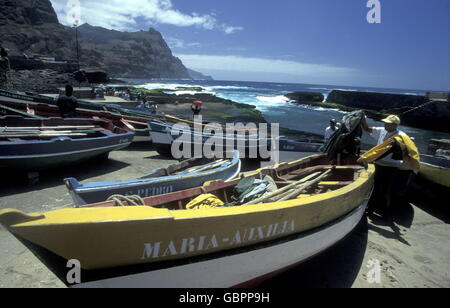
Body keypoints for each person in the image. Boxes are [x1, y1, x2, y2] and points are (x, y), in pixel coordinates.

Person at [359, 114, 420, 220]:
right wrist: (362, 118)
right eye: (385, 122)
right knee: (375, 188)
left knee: (386, 190)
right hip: (378, 164)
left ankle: (386, 214)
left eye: (387, 123)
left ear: (394, 125)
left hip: (391, 167)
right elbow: (366, 128)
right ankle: (371, 209)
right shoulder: (382, 130)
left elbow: (412, 150)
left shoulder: (401, 136)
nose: (385, 124)